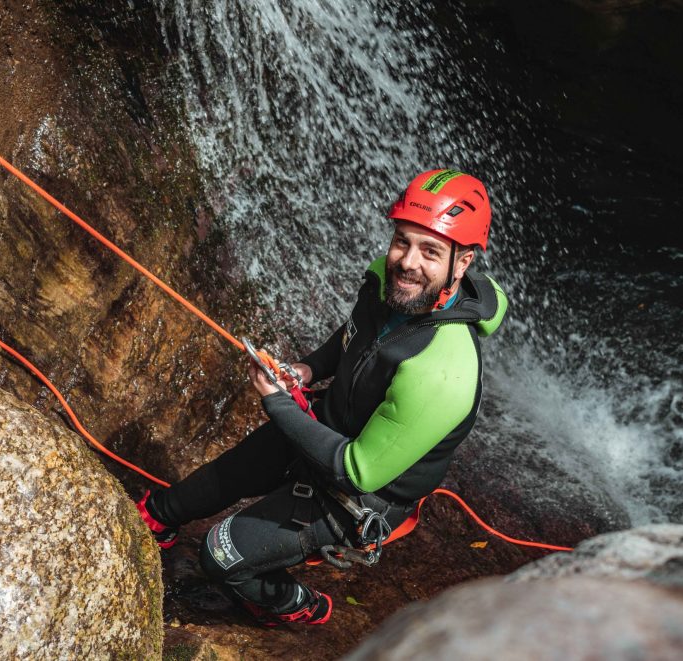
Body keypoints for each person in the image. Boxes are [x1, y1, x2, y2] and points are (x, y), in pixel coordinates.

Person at [136, 168, 508, 625]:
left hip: (355, 495)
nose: (407, 262)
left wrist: (277, 403)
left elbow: (358, 471)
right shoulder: (388, 281)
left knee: (220, 553)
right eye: (402, 241)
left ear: (463, 262)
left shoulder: (444, 369)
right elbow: (353, 337)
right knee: (221, 476)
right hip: (326, 429)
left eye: (430, 251)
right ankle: (159, 518)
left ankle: (297, 605)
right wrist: (307, 369)